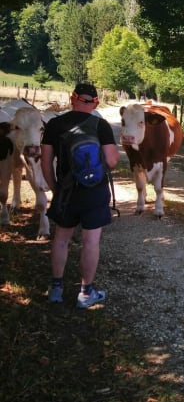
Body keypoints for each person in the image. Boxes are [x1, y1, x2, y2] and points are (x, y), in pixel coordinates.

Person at [41, 83, 120, 308]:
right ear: (95, 103)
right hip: (95, 191)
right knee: (91, 241)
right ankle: (86, 293)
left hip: (66, 191)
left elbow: (45, 162)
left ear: (72, 98)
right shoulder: (100, 125)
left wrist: (56, 189)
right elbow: (112, 160)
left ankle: (56, 289)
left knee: (61, 239)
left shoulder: (54, 124)